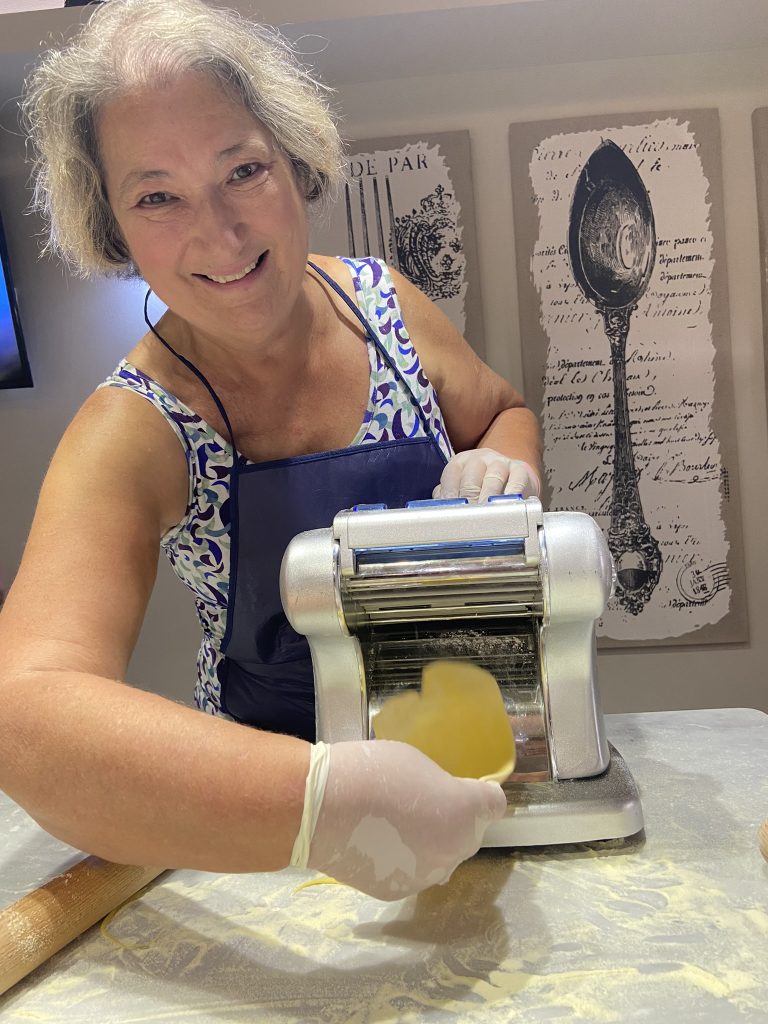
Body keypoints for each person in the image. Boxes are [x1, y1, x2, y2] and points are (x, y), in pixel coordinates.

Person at [0, 0, 542, 901]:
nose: (218, 234)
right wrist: (327, 803)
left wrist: (507, 463)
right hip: (282, 843)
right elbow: (23, 711)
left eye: (242, 170)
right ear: (114, 226)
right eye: (157, 196)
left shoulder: (387, 307)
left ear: (294, 159)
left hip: (494, 762)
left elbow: (500, 412)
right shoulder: (137, 427)